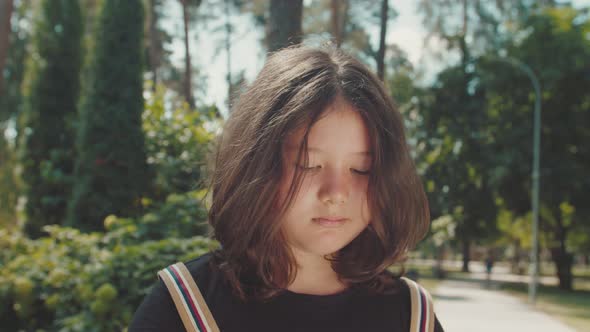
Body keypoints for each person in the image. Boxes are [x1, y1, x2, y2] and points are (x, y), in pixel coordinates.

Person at [128, 44, 445, 332]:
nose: (336, 193)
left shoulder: (411, 315)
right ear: (256, 165)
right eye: (309, 164)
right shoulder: (186, 305)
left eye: (362, 168)